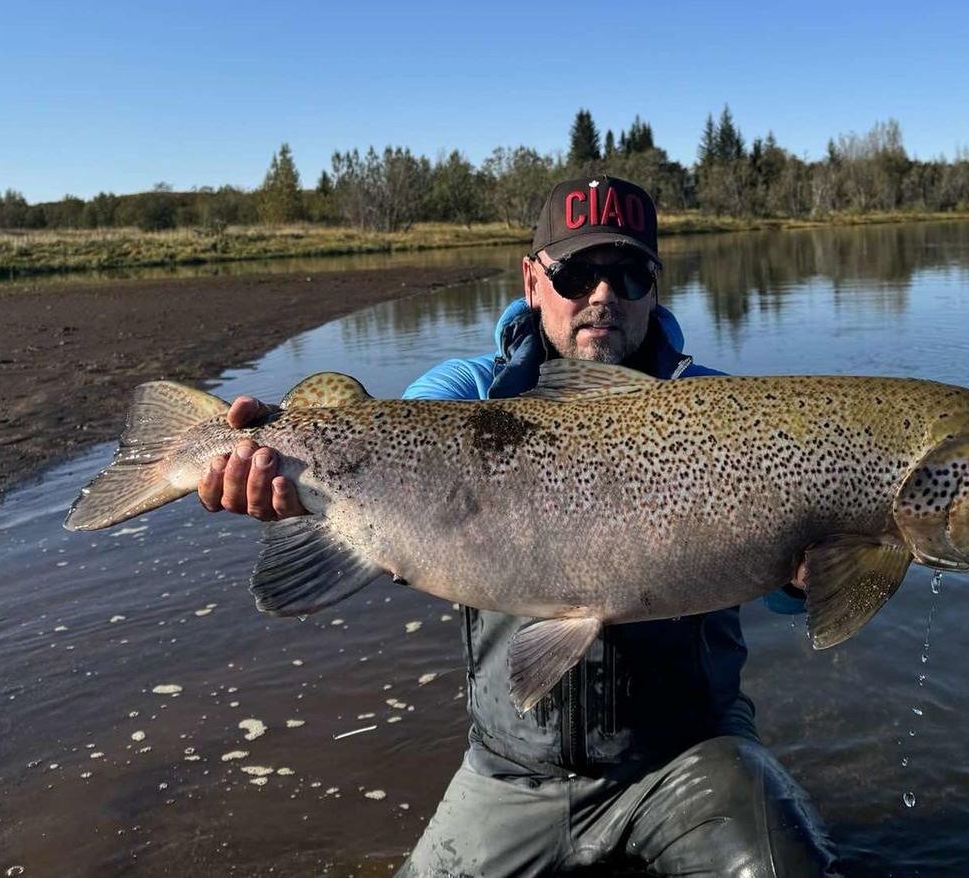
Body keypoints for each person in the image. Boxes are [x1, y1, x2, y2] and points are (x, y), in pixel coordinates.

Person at [198, 175, 840, 877]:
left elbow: (780, 597)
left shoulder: (720, 412)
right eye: (578, 271)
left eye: (628, 273)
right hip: (512, 773)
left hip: (689, 756)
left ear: (655, 289)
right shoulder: (464, 393)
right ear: (532, 281)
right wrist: (290, 481)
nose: (604, 295)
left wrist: (816, 570)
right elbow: (388, 458)